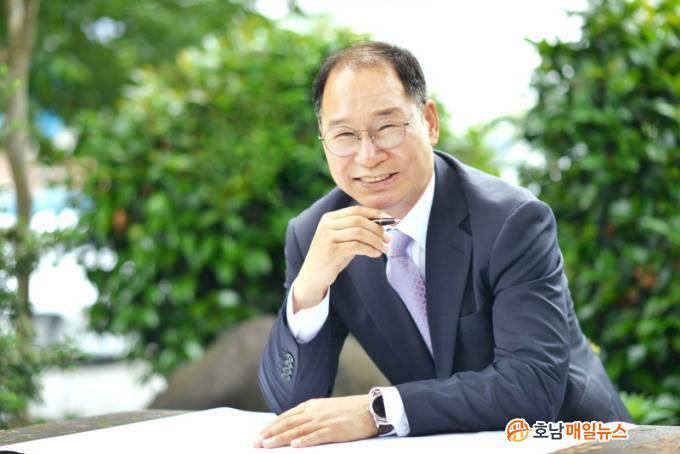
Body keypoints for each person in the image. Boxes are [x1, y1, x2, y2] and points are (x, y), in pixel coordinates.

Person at [254, 42, 632, 449]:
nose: (368, 155)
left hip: (572, 437)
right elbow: (291, 407)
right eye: (344, 134)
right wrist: (309, 289)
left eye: (387, 127)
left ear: (429, 122)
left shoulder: (511, 221)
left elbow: (531, 387)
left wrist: (378, 411)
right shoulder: (315, 235)